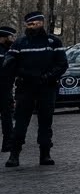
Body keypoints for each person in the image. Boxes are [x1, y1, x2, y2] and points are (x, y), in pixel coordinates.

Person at [3, 12, 67, 166]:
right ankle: (14, 155)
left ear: (41, 23)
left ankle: (45, 154)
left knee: (45, 122)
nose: (31, 27)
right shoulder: (20, 43)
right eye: (29, 24)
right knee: (20, 122)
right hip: (26, 87)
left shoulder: (53, 42)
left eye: (34, 24)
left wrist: (48, 77)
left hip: (46, 87)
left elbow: (62, 64)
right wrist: (21, 74)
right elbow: (9, 64)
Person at [0, 25, 14, 153]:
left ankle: (8, 143)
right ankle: (7, 143)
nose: (13, 39)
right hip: (4, 88)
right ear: (3, 38)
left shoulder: (9, 50)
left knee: (7, 117)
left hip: (6, 89)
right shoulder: (6, 52)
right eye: (10, 36)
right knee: (6, 117)